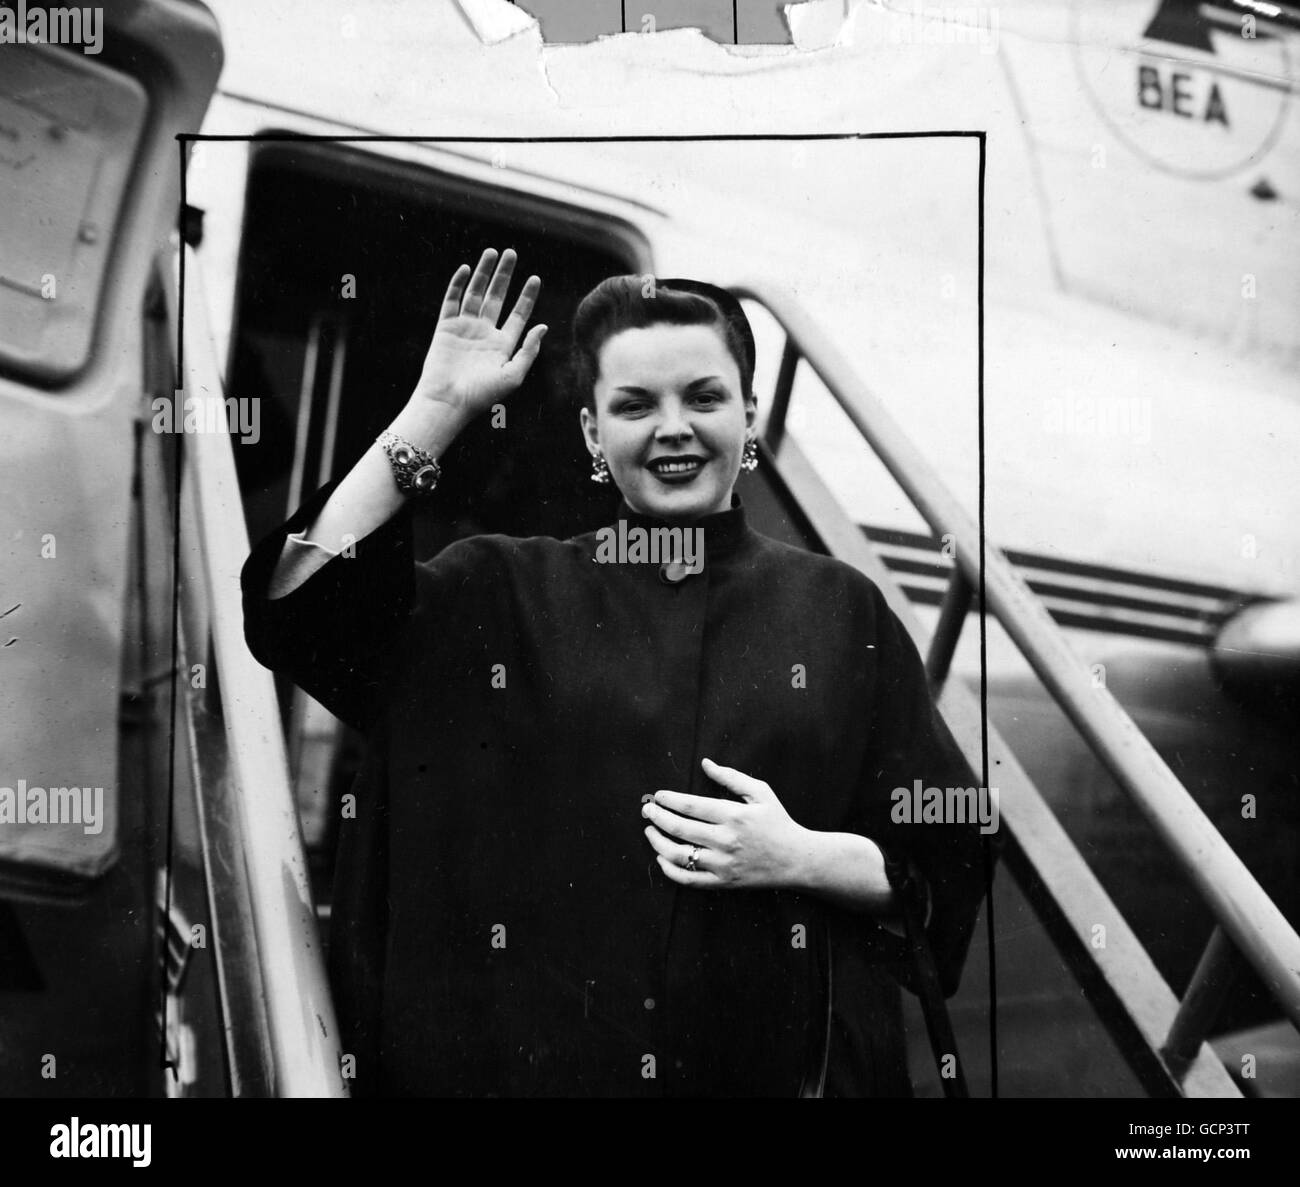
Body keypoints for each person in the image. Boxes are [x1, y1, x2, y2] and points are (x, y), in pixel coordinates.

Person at [241, 247, 988, 1097]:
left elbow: (944, 859)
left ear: (748, 415)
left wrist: (799, 855)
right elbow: (303, 609)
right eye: (634, 405)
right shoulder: (500, 587)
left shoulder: (842, 609)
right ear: (594, 433)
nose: (673, 427)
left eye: (704, 397)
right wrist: (434, 412)